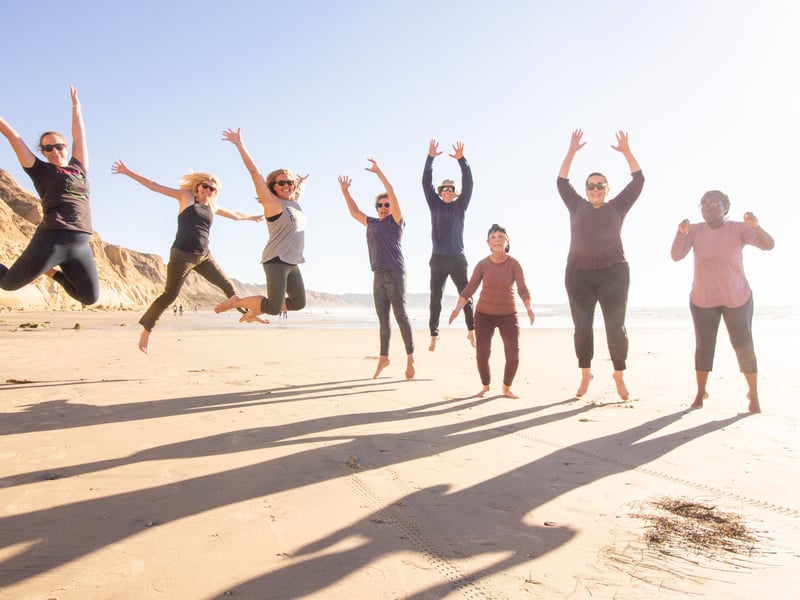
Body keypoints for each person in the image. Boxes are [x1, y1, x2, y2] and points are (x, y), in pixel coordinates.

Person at [111, 160, 263, 353]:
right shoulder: (186, 197)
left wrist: (253, 217)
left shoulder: (213, 207)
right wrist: (128, 172)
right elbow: (154, 186)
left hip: (204, 256)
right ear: (198, 186)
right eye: (205, 186)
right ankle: (147, 330)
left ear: (215, 192)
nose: (208, 190)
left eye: (212, 188)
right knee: (170, 295)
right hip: (181, 255)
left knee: (229, 286)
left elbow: (235, 215)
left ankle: (248, 313)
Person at [557, 129, 644, 400]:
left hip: (613, 274)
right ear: (585, 190)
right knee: (582, 328)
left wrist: (626, 152)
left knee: (615, 328)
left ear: (607, 189)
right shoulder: (577, 205)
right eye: (591, 186)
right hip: (578, 275)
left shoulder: (618, 206)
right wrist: (571, 151)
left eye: (600, 186)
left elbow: (639, 180)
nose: (595, 190)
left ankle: (619, 374)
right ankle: (586, 374)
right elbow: (561, 181)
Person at [671, 190, 774, 413]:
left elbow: (768, 245)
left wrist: (756, 226)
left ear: (725, 207)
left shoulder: (738, 228)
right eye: (703, 204)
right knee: (704, 346)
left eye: (713, 203)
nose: (707, 207)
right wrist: (680, 234)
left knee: (743, 344)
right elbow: (676, 256)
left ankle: (753, 393)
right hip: (703, 298)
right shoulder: (694, 230)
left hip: (737, 297)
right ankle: (700, 392)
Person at [0, 85, 99, 305]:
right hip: (53, 238)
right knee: (7, 284)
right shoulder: (40, 170)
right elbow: (12, 136)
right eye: (48, 148)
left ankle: (52, 272)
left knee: (89, 297)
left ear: (66, 147)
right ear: (43, 152)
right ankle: (47, 266)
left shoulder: (79, 167)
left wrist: (76, 107)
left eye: (59, 146)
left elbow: (79, 136)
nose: (55, 151)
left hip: (81, 243)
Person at [214, 128, 307, 323]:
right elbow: (254, 172)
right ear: (272, 186)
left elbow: (298, 191)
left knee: (299, 303)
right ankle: (237, 302)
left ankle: (255, 309)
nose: (286, 185)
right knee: (274, 308)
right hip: (276, 259)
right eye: (281, 183)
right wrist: (239, 144)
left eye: (290, 182)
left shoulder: (294, 203)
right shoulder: (272, 204)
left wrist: (303, 183)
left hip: (292, 261)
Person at [338, 160, 415, 380]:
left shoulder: (396, 222)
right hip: (378, 274)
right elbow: (354, 212)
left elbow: (392, 192)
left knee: (400, 315)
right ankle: (384, 357)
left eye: (386, 204)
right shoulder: (372, 223)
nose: (383, 207)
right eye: (380, 205)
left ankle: (410, 358)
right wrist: (345, 192)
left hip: (395, 272)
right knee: (383, 318)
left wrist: (379, 172)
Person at [449, 224, 534, 399]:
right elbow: (470, 288)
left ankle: (506, 387)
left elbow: (522, 289)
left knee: (513, 354)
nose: (497, 240)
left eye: (501, 236)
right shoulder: (483, 265)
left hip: (508, 314)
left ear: (507, 241)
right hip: (484, 315)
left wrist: (528, 307)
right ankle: (485, 386)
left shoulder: (514, 264)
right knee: (482, 353)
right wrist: (457, 309)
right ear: (488, 243)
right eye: (493, 237)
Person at [422, 139, 475, 351]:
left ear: (455, 192)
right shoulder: (434, 204)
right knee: (435, 298)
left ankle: (471, 330)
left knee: (466, 295)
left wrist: (462, 160)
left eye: (450, 189)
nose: (447, 191)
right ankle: (434, 334)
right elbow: (425, 182)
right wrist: (430, 158)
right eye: (444, 189)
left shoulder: (460, 206)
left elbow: (469, 183)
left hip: (457, 258)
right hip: (438, 259)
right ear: (440, 191)